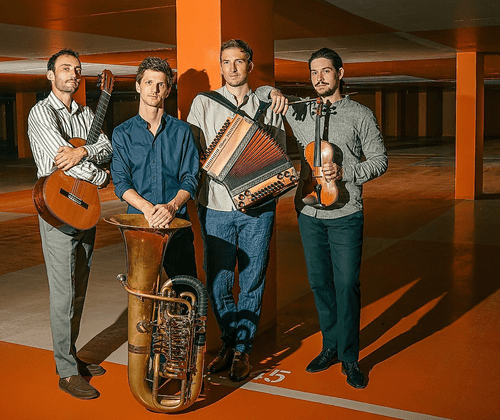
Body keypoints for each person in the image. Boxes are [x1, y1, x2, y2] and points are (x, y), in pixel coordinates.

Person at [260, 47, 388, 389]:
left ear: (340, 74)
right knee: (319, 283)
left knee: (346, 284)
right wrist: (272, 92)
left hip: (346, 213)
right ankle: (329, 345)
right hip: (309, 211)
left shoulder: (360, 114)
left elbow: (380, 160)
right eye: (314, 72)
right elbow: (260, 93)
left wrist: (346, 172)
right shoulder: (301, 111)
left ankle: (350, 357)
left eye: (326, 71)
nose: (319, 78)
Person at [187, 39, 286, 382]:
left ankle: (243, 349)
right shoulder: (204, 103)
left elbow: (277, 156)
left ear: (250, 65)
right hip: (216, 205)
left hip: (259, 208)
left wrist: (266, 189)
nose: (232, 68)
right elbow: (193, 153)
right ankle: (230, 341)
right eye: (226, 62)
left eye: (238, 61)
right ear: (220, 66)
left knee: (253, 279)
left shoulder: (269, 105)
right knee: (219, 280)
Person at [28, 49, 112, 399]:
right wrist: (101, 176)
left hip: (85, 208)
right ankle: (65, 372)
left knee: (79, 289)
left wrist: (83, 151)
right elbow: (62, 162)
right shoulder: (40, 112)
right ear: (51, 75)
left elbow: (106, 146)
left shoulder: (87, 113)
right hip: (58, 209)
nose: (73, 74)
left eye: (77, 69)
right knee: (63, 293)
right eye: (65, 69)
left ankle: (72, 355)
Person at [111, 57, 198, 278]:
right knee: (142, 293)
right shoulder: (122, 133)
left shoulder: (183, 131)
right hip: (139, 226)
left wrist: (171, 207)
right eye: (149, 82)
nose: (154, 89)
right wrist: (148, 209)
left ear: (168, 90)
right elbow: (121, 182)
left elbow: (190, 178)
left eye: (160, 84)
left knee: (188, 290)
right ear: (138, 86)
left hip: (177, 225)